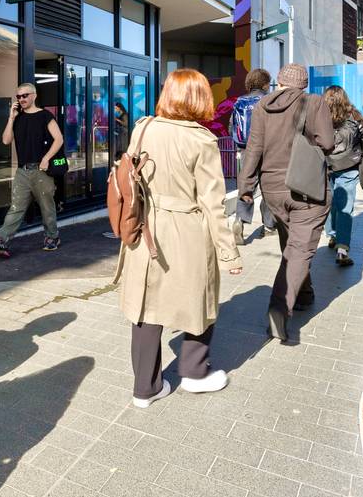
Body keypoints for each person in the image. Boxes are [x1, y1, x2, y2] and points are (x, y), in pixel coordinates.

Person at [114, 69, 242, 408]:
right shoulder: (202, 140)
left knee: (145, 304)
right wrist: (229, 253)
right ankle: (195, 374)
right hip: (187, 230)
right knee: (199, 300)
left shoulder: (143, 128)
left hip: (145, 227)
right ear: (201, 98)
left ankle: (145, 388)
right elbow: (213, 203)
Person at [238, 63, 334, 343]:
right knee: (301, 248)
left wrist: (246, 188)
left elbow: (253, 148)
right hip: (305, 186)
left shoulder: (262, 106)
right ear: (303, 84)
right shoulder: (314, 102)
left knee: (291, 241)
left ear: (278, 83)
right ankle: (279, 310)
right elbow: (327, 143)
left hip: (272, 188)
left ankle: (304, 294)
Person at [0, 82, 64, 256]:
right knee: (16, 207)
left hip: (42, 170)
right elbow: (6, 140)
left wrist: (46, 158)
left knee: (47, 207)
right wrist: (11, 118)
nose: (21, 99)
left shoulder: (45, 116)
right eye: (18, 96)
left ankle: (52, 237)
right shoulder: (18, 118)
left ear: (34, 96)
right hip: (22, 171)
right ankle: (1, 239)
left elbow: (59, 139)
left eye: (25, 95)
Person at [230, 67, 276, 244]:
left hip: (245, 150)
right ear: (265, 84)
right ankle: (268, 226)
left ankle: (239, 220)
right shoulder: (269, 100)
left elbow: (232, 126)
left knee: (247, 186)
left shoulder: (239, 101)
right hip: (267, 150)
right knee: (268, 188)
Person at [322, 85, 363, 268]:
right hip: (349, 166)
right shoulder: (355, 116)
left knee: (330, 201)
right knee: (345, 207)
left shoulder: (320, 116)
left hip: (326, 166)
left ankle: (332, 235)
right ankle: (342, 249)